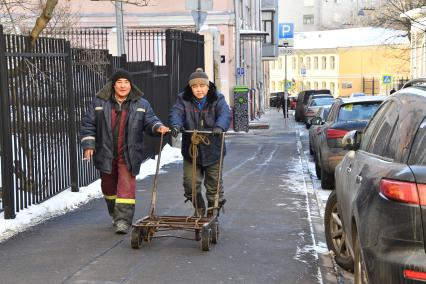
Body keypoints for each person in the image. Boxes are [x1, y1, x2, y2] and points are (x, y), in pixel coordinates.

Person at [80, 69, 169, 234]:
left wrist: (158, 127)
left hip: (129, 153)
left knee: (126, 185)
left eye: (126, 82)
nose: (123, 86)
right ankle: (115, 213)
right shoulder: (99, 102)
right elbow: (88, 124)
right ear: (113, 85)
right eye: (119, 82)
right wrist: (89, 145)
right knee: (108, 186)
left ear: (131, 85)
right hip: (105, 152)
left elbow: (150, 120)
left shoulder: (141, 104)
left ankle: (123, 221)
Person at [169, 68, 231, 217]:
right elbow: (176, 113)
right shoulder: (183, 99)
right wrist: (176, 125)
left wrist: (219, 126)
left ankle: (212, 213)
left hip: (214, 148)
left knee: (213, 186)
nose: (199, 90)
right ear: (191, 87)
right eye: (195, 86)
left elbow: (225, 114)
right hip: (192, 149)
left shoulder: (217, 99)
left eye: (202, 86)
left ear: (207, 86)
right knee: (190, 185)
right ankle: (200, 207)